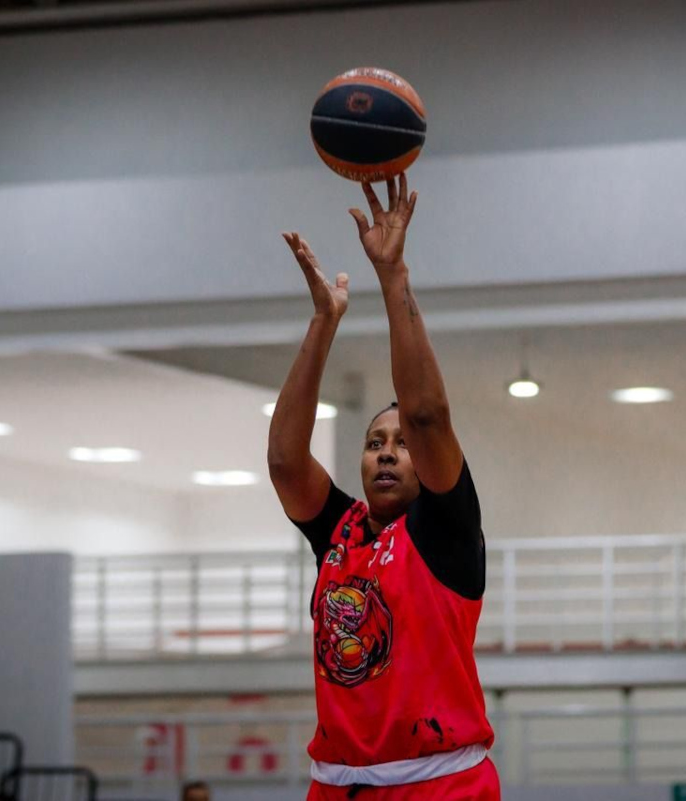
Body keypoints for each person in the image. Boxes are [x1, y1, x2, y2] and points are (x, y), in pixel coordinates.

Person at [267, 174, 498, 800]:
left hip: (438, 782)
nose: (388, 453)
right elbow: (287, 462)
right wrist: (323, 321)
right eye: (374, 443)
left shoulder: (444, 530)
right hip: (336, 784)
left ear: (426, 464)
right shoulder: (339, 532)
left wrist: (392, 276)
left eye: (400, 444)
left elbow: (426, 416)